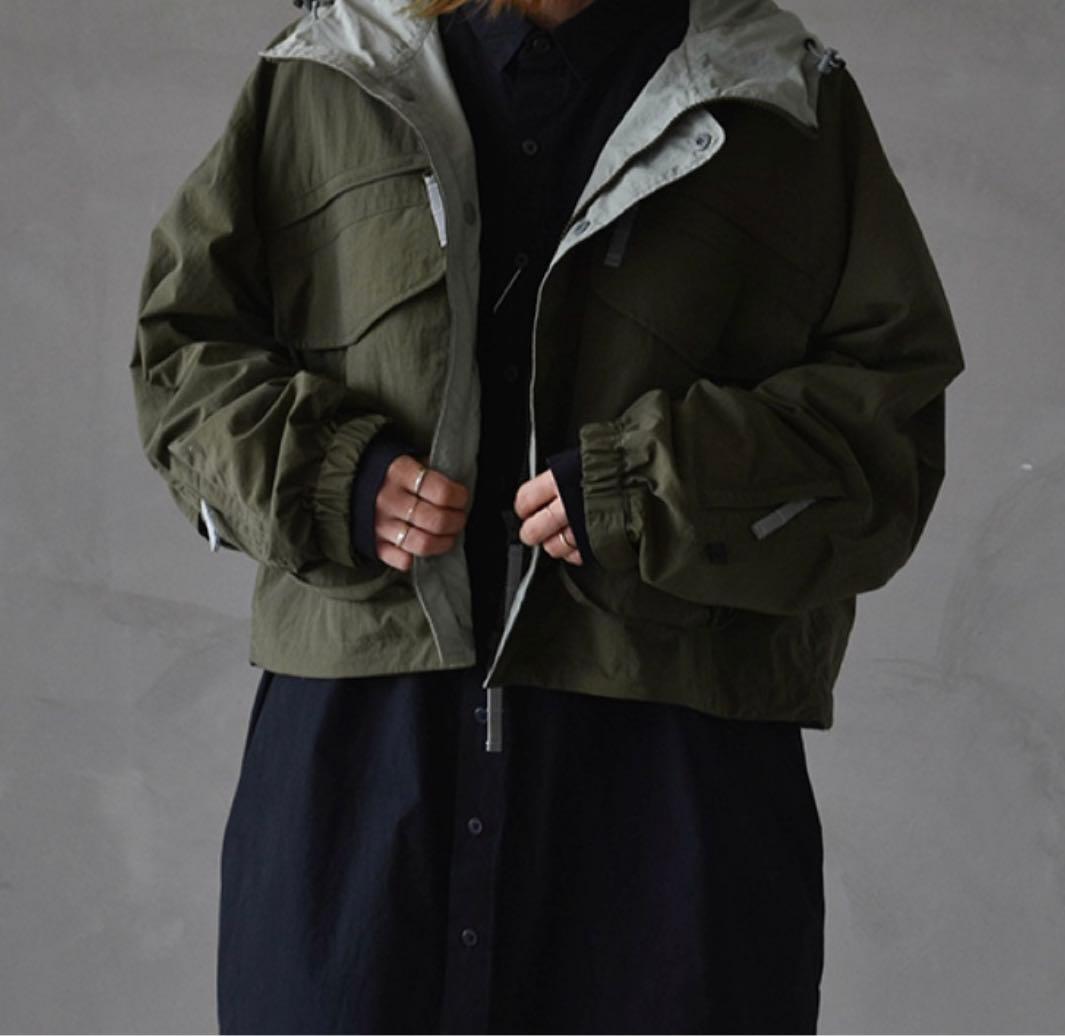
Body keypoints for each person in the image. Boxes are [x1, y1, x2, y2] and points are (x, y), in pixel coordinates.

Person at [128, 0, 965, 1031]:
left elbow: (887, 435)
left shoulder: (779, 96)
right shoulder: (324, 73)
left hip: (671, 818)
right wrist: (326, 477)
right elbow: (181, 361)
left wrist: (656, 485)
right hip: (358, 805)